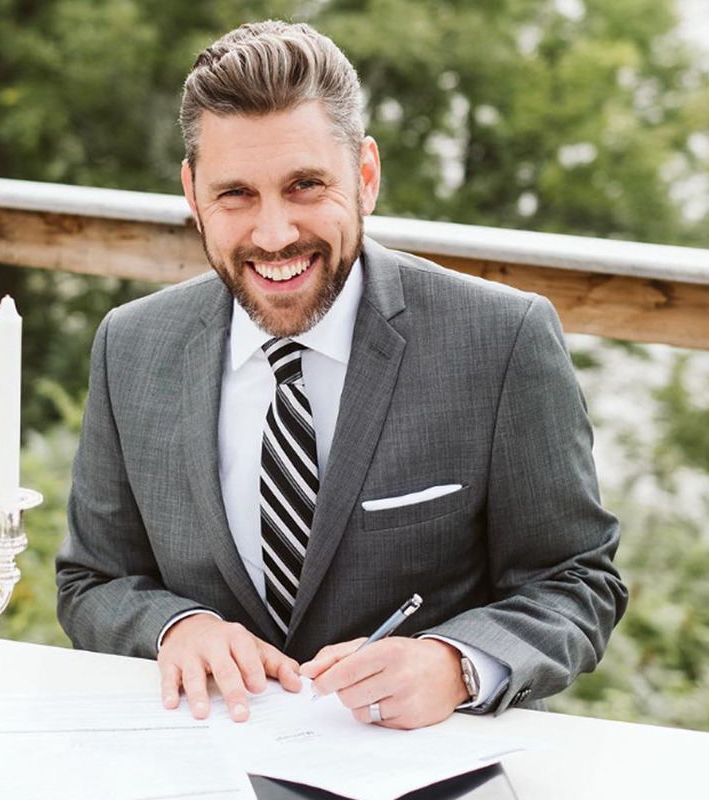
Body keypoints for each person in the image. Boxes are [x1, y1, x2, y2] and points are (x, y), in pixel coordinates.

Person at [56, 20, 627, 731]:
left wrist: (458, 663)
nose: (272, 234)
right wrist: (176, 627)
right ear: (191, 191)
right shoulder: (130, 346)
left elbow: (577, 580)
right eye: (235, 194)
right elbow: (92, 582)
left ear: (365, 175)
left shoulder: (503, 340)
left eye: (304, 186)